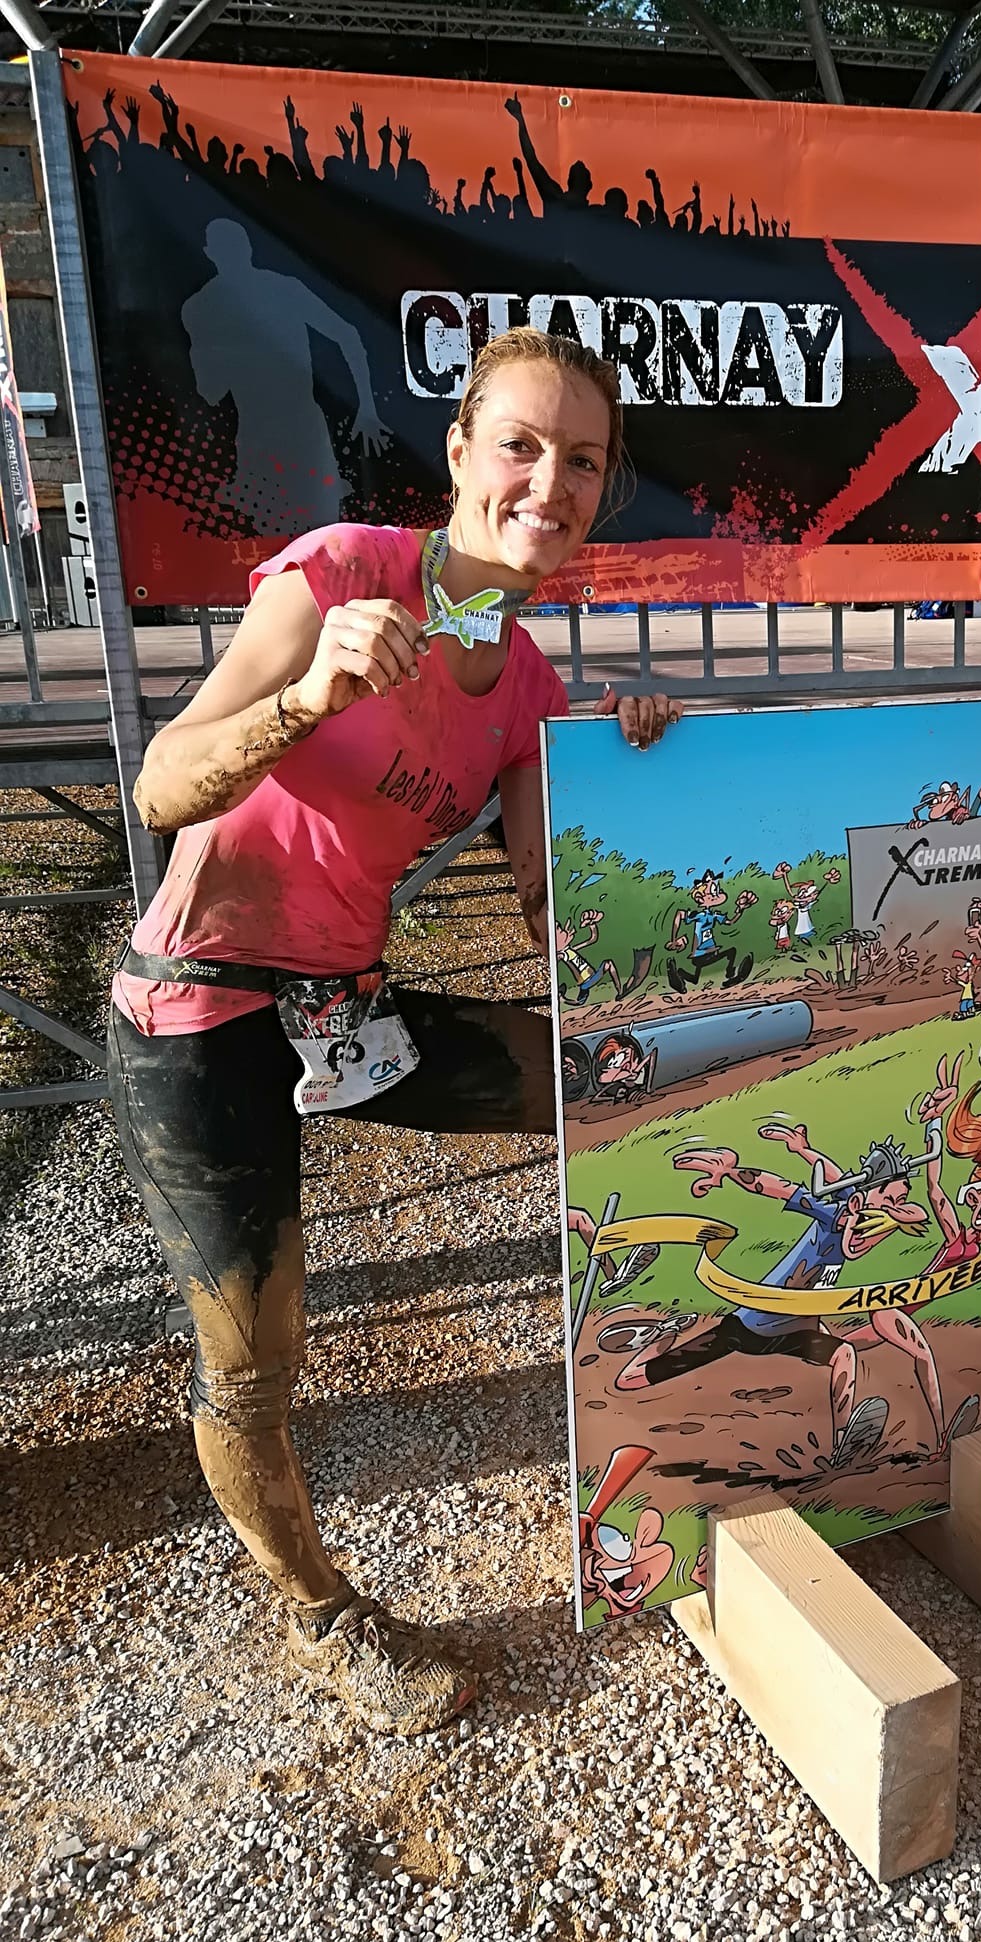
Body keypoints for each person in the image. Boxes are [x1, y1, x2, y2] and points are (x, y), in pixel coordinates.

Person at [109, 327, 681, 1737]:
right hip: (198, 1004)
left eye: (584, 461)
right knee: (252, 1361)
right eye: (522, 446)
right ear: (460, 453)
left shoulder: (530, 687)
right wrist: (311, 697)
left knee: (604, 1083)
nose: (549, 484)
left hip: (341, 1011)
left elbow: (554, 907)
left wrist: (640, 772)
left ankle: (704, 1382)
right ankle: (320, 1617)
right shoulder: (342, 573)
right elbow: (163, 785)